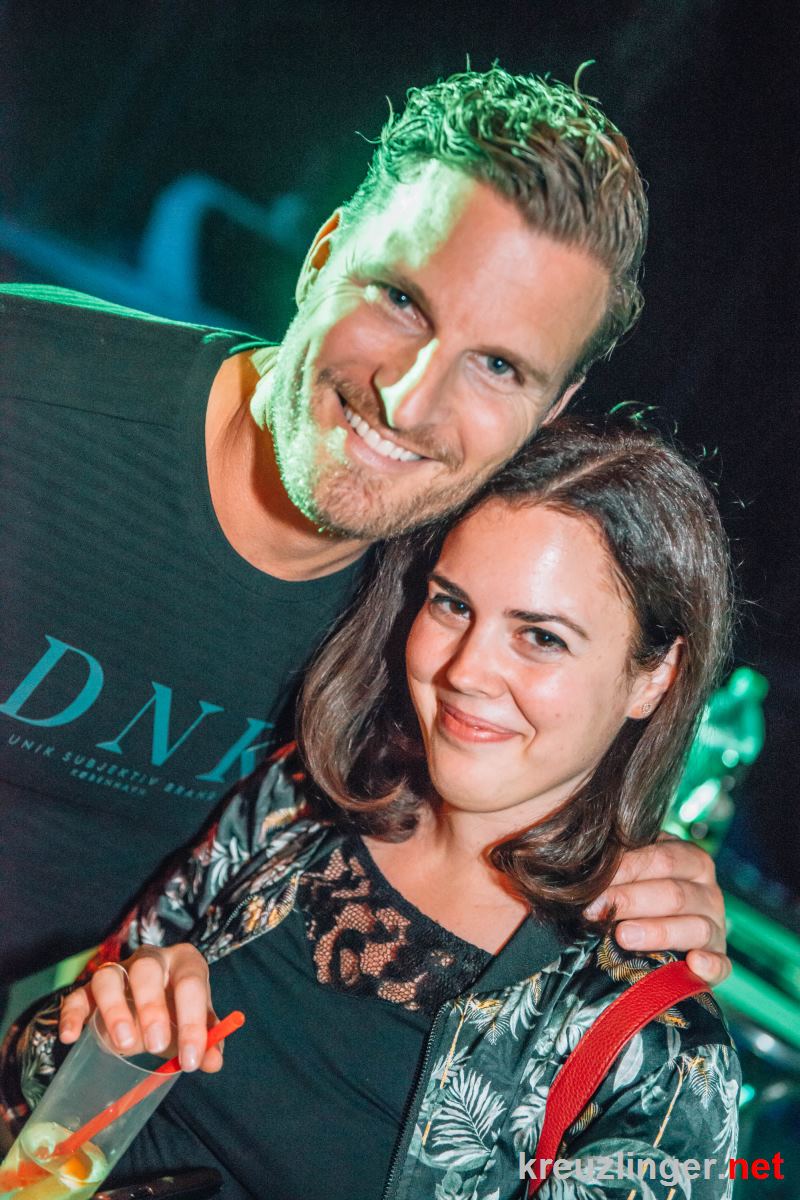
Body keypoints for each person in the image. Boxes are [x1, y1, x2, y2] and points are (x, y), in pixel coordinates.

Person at [1, 67, 726, 986]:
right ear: (322, 257)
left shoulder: (446, 604)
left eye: (499, 366)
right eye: (401, 300)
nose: (409, 401)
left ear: (551, 411)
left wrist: (657, 873)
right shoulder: (26, 398)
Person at [1, 420, 740, 1199]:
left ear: (654, 675)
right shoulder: (301, 804)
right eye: (452, 604)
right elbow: (28, 1086)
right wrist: (102, 1030)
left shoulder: (654, 1046)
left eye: (542, 638)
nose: (466, 671)